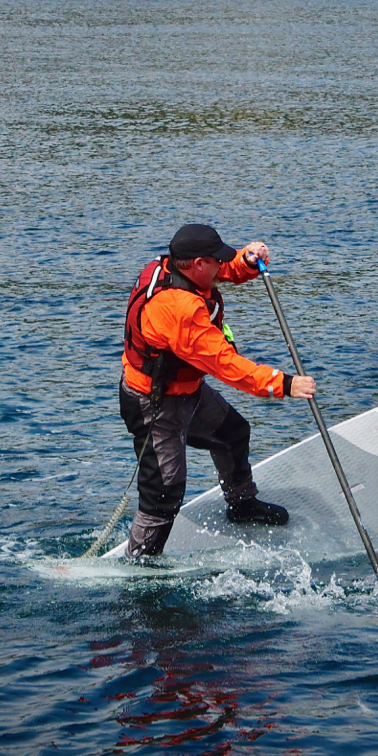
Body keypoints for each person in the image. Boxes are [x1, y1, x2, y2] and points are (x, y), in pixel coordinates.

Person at [120, 223, 316, 558]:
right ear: (197, 263)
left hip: (187, 392)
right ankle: (139, 564)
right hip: (155, 406)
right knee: (164, 493)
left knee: (233, 432)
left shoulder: (171, 265)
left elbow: (221, 272)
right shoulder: (180, 311)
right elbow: (226, 364)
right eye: (215, 260)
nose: (220, 265)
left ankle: (241, 505)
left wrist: (247, 261)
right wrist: (282, 384)